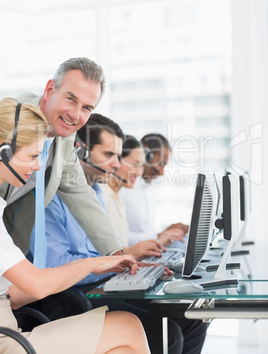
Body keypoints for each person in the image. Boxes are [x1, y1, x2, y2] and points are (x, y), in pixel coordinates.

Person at [27, 116, 205, 354]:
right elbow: (52, 266)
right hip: (69, 295)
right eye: (109, 155)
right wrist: (103, 263)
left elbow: (98, 253)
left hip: (99, 284)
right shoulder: (51, 198)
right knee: (167, 332)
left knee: (192, 317)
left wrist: (127, 262)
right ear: (80, 152)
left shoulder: (95, 192)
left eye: (118, 156)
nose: (115, 164)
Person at [0, 98, 150, 354]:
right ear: (4, 152)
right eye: (33, 156)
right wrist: (94, 264)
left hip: (9, 324)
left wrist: (109, 263)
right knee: (127, 325)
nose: (38, 167)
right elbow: (36, 284)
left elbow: (12, 294)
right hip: (7, 339)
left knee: (122, 343)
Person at [0, 57, 123, 257]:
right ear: (49, 90)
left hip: (10, 253)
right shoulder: (12, 120)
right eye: (70, 99)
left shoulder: (64, 136)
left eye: (86, 108)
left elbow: (79, 192)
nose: (75, 115)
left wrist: (115, 254)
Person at [103, 135, 185, 250]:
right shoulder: (113, 192)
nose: (162, 172)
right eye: (134, 164)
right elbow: (112, 244)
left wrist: (161, 237)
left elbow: (121, 239)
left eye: (140, 165)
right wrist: (157, 238)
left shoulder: (144, 189)